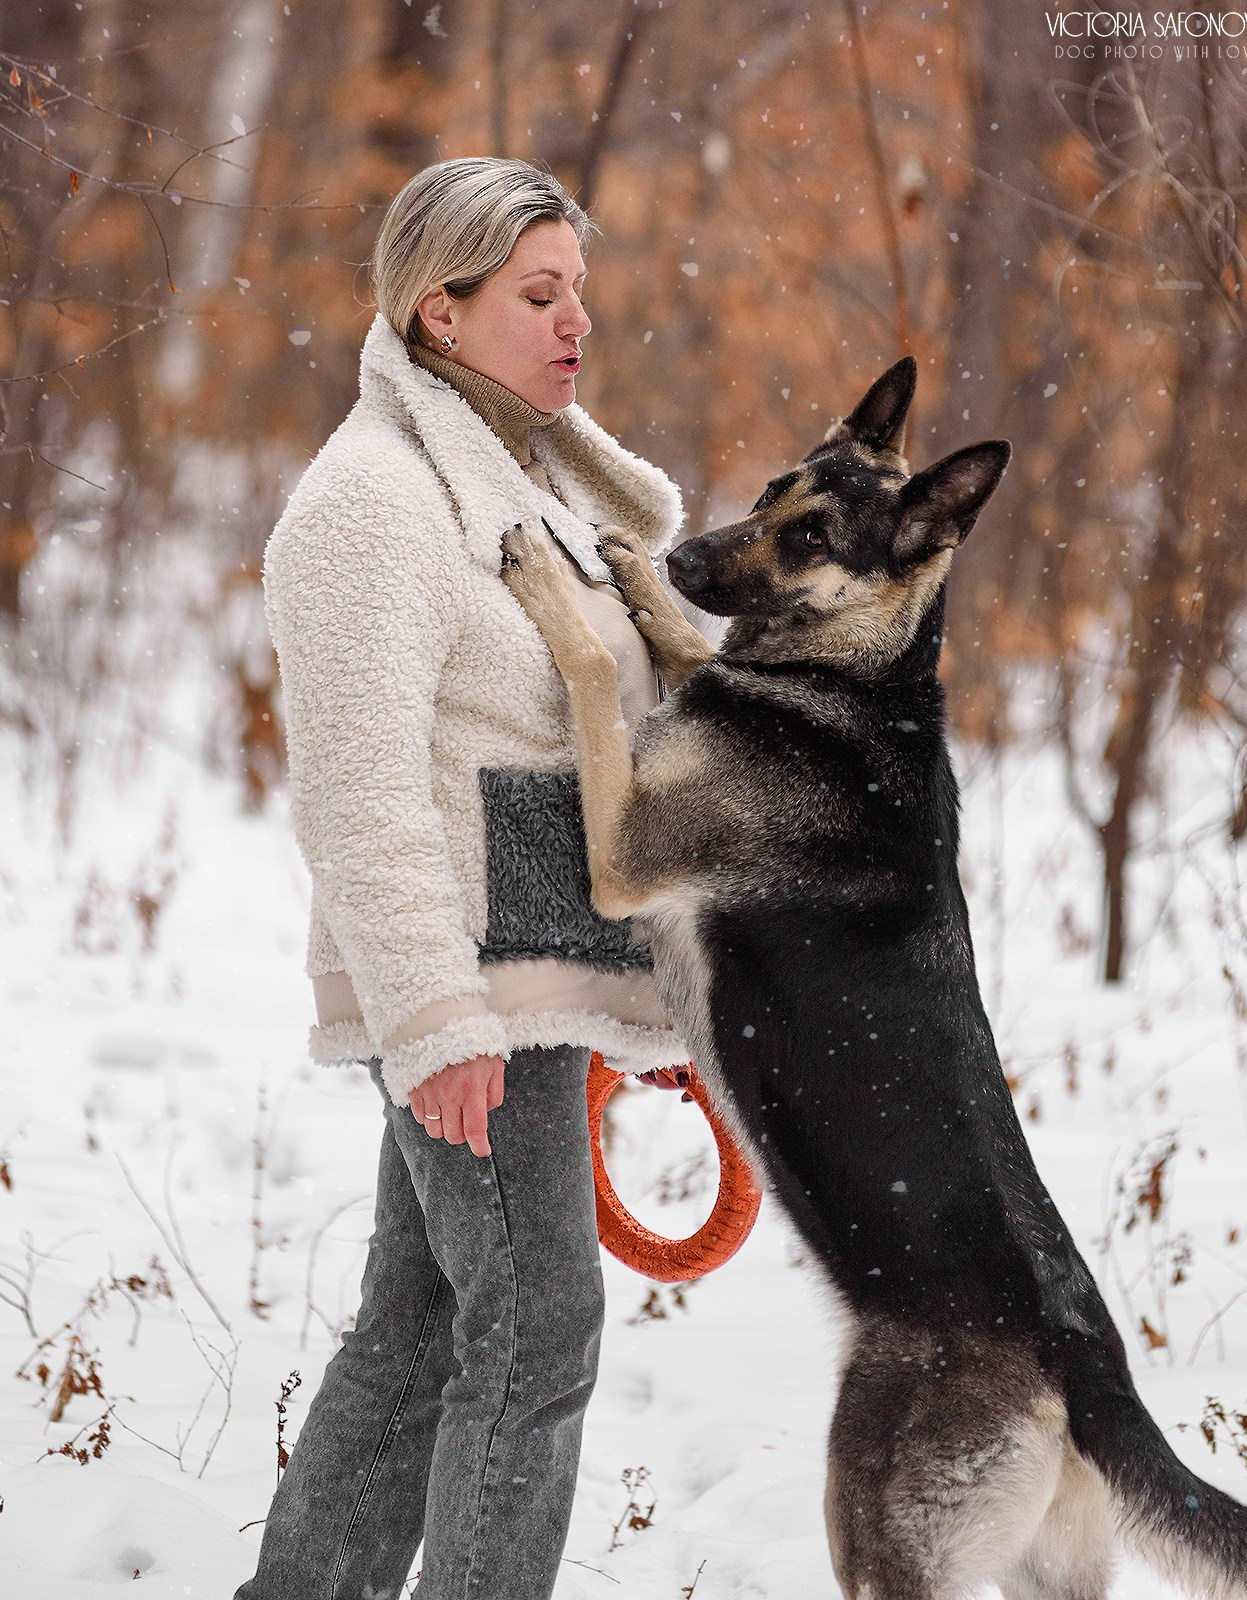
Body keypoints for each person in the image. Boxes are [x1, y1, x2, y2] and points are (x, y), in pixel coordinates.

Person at [235, 157, 690, 1600]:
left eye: (581, 298)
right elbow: (360, 793)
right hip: (469, 990)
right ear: (440, 311)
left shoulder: (535, 486)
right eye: (540, 295)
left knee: (423, 1327)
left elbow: (589, 736)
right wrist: (433, 1016)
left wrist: (662, 981)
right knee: (539, 1328)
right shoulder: (371, 503)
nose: (577, 325)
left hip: (540, 977)